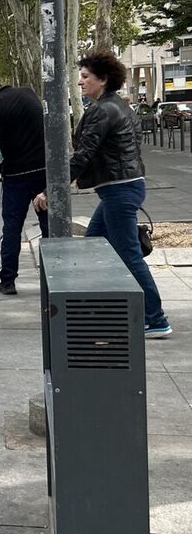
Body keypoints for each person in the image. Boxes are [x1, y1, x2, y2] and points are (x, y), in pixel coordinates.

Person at [38, 51, 171, 338]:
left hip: (119, 190)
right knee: (93, 246)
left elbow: (84, 153)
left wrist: (54, 189)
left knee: (128, 254)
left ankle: (155, 318)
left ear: (103, 80)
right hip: (122, 188)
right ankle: (102, 309)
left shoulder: (101, 110)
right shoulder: (119, 106)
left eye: (86, 77)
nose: (81, 81)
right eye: (80, 76)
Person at [0, 78, 50, 295]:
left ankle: (7, 281)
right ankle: (54, 280)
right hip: (43, 172)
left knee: (11, 229)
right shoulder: (29, 93)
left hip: (15, 176)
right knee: (48, 227)